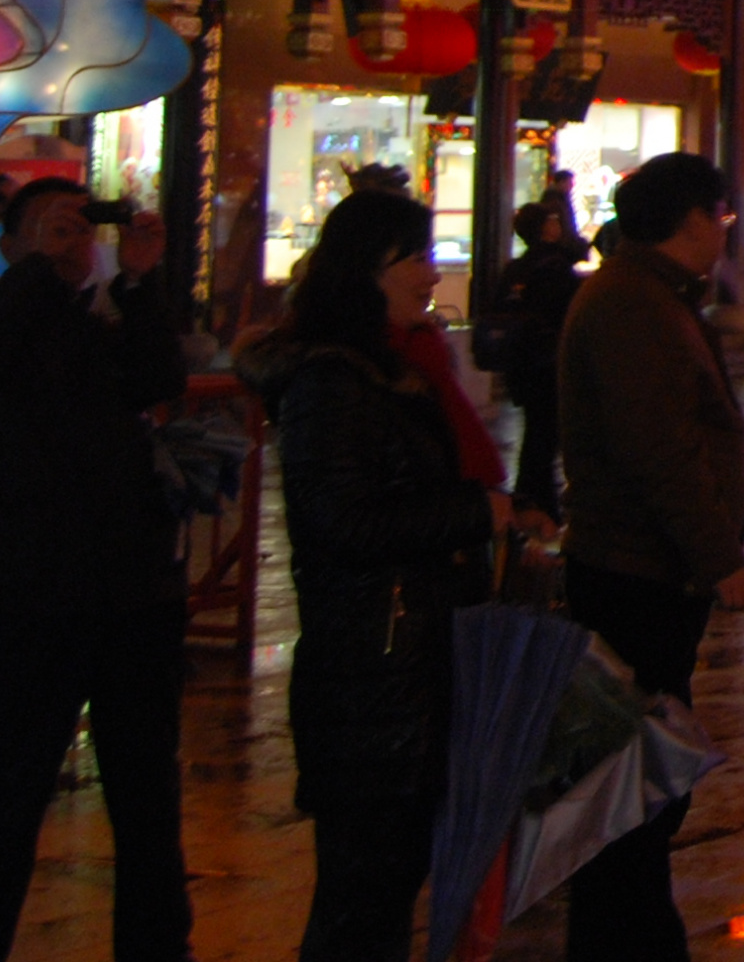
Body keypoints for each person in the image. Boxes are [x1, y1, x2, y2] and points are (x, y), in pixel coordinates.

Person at [237, 190, 505, 959]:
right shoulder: (335, 381)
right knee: (363, 897)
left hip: (414, 655)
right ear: (369, 271)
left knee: (389, 887)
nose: (432, 273)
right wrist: (472, 516)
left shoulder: (404, 367)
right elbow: (338, 523)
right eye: (417, 258)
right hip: (371, 668)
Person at [0, 183, 193, 962]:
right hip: (36, 592)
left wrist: (140, 279)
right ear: (13, 243)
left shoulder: (107, 313)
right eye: (54, 226)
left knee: (146, 791)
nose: (75, 241)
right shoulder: (0, 309)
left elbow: (159, 378)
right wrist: (38, 270)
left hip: (132, 589)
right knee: (7, 790)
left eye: (82, 226)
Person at [559, 151, 744, 961]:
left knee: (644, 778)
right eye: (721, 216)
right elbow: (660, 452)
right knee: (631, 783)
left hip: (648, 568)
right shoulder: (633, 308)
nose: (724, 232)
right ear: (692, 220)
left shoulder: (653, 299)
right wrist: (719, 557)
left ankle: (636, 934)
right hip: (634, 571)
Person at [479, 199, 589, 519]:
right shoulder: (555, 268)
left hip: (521, 362)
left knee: (536, 432)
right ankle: (540, 504)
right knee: (545, 435)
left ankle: (532, 497)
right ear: (545, 229)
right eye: (552, 220)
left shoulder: (517, 268)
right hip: (547, 362)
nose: (558, 225)